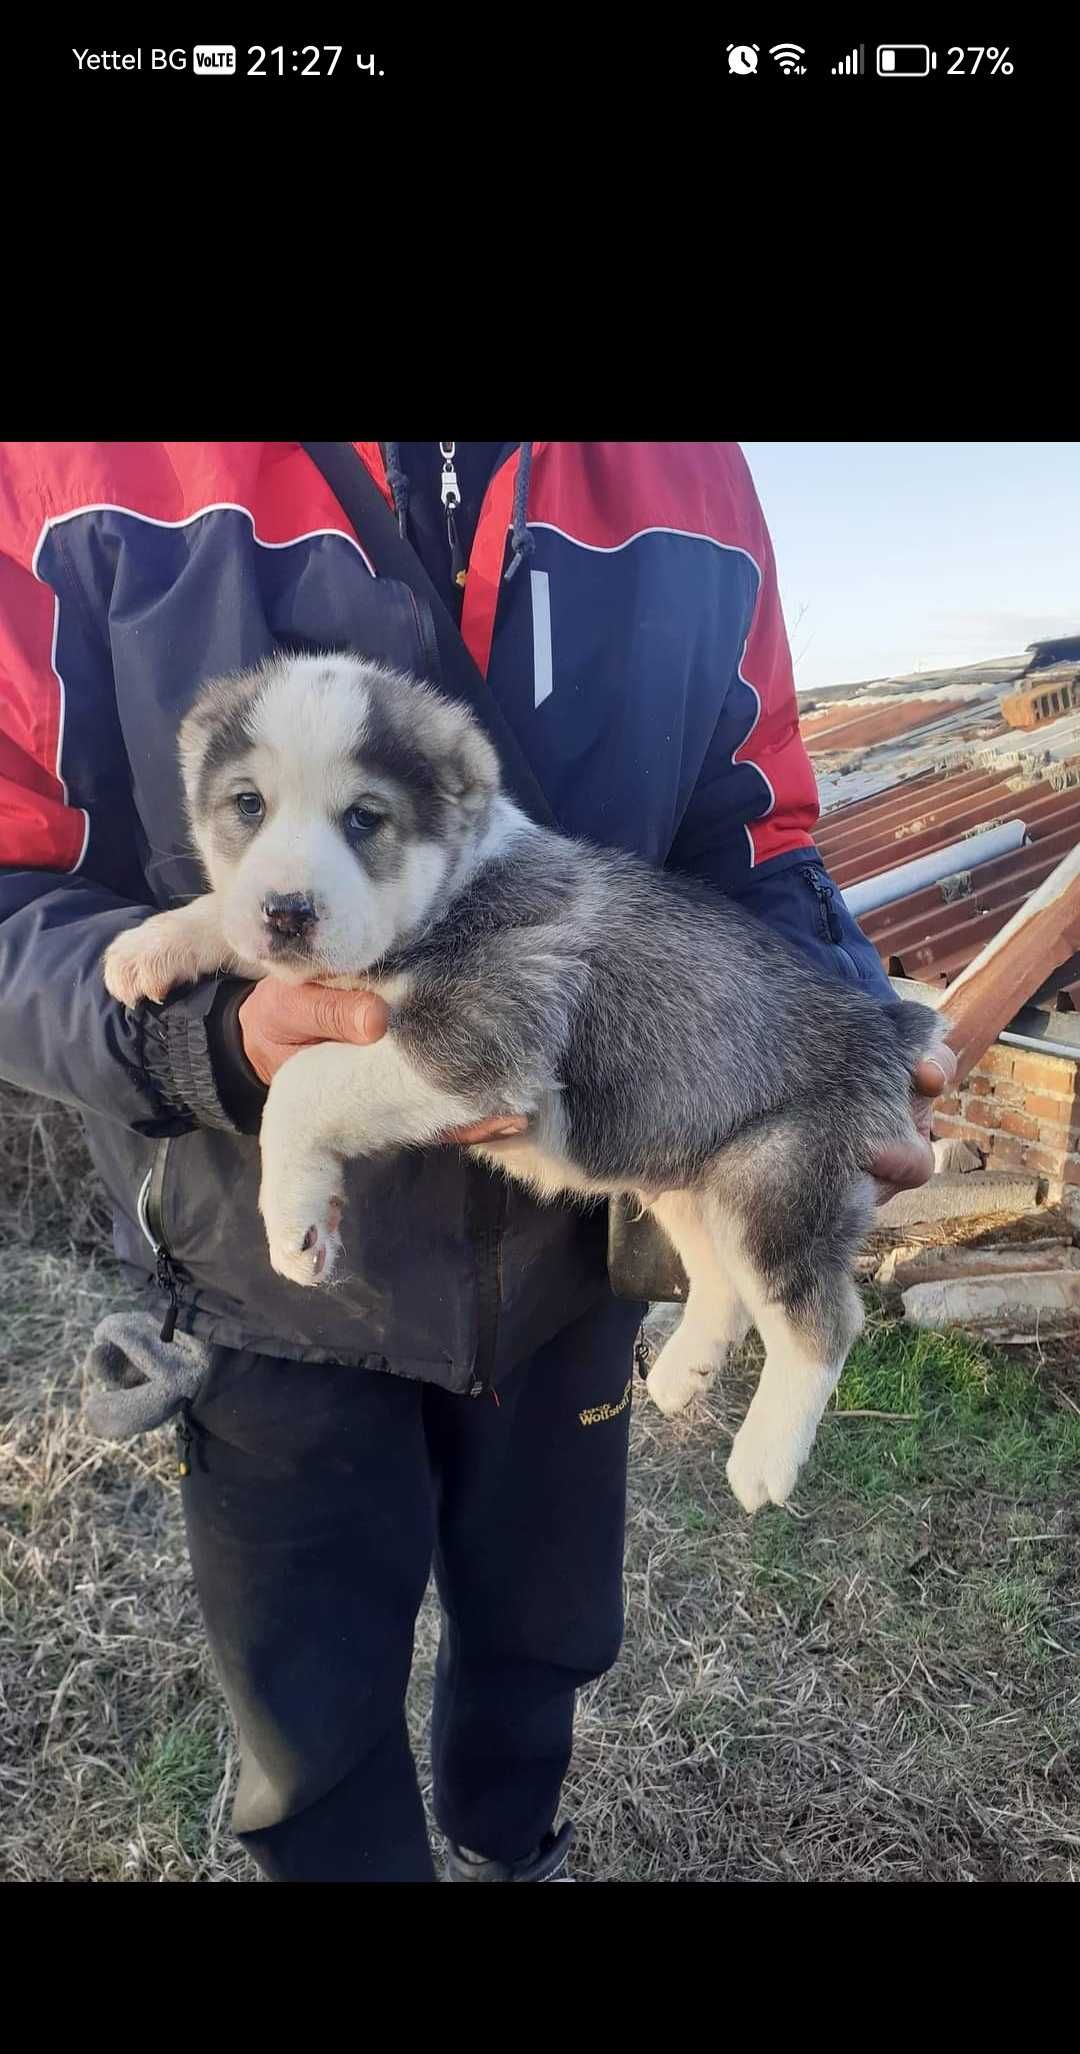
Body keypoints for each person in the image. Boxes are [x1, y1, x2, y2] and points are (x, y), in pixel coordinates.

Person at [0, 442, 954, 1882]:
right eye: (245, 809)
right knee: (310, 1718)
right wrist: (207, 1039)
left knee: (541, 1643)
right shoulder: (68, 471)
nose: (282, 854)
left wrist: (822, 1032)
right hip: (269, 1285)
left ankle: (518, 1851)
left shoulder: (684, 471)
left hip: (572, 1258)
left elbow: (753, 832)